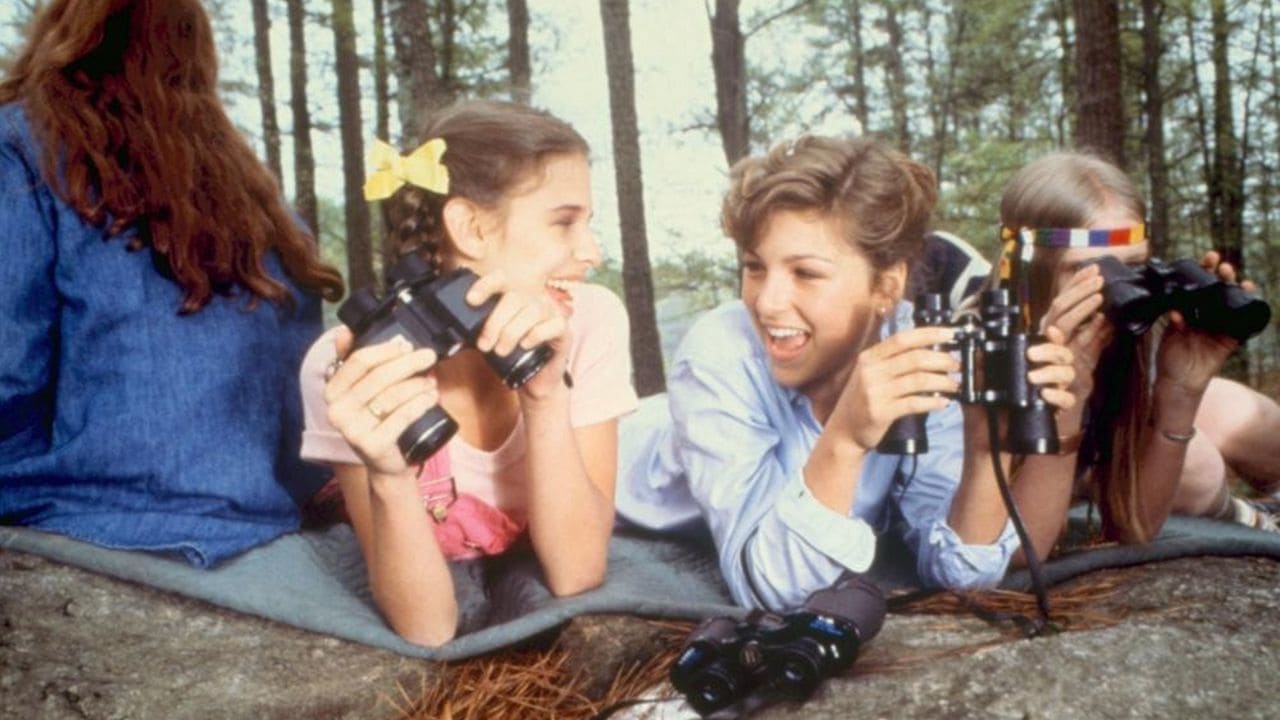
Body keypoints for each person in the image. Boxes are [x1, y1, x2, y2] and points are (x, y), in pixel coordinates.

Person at [615, 135, 1077, 612]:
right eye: (755, 267)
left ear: (886, 285)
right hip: (618, 478)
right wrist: (846, 439)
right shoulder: (722, 353)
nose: (767, 301)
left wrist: (985, 452)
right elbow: (767, 586)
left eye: (806, 273)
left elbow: (960, 573)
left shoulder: (919, 347)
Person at [0, 0, 343, 566]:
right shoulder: (263, 205)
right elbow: (301, 413)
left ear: (64, 35)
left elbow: (8, 373)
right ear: (196, 58)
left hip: (73, 517)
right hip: (255, 523)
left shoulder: (20, 147)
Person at [298, 100, 638, 646]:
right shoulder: (348, 368)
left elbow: (577, 572)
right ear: (471, 228)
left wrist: (546, 396)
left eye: (588, 225)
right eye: (565, 223)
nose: (592, 252)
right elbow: (428, 627)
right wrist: (388, 475)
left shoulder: (591, 319)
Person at [992, 151, 1280, 561]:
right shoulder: (988, 352)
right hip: (1054, 471)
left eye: (1134, 267)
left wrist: (1181, 392)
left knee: (1252, 416)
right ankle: (1247, 516)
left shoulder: (1125, 335)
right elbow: (1011, 553)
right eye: (1085, 270)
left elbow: (1138, 525)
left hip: (1092, 462)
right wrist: (1066, 396)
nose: (1116, 288)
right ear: (1027, 272)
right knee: (1198, 468)